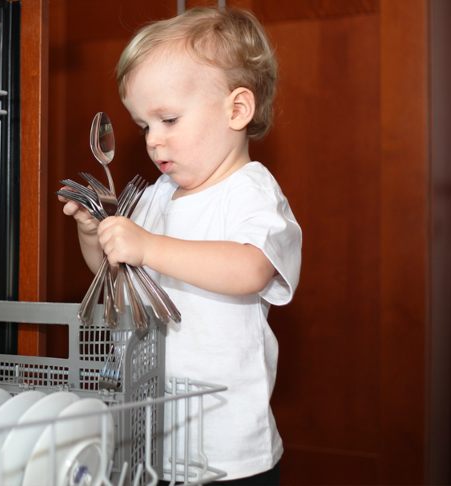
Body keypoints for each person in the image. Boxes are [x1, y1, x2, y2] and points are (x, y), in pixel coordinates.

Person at [58, 6, 302, 485]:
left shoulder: (251, 192)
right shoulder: (156, 195)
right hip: (148, 435)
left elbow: (252, 268)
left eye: (168, 119)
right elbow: (113, 277)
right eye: (145, 125)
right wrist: (96, 236)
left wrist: (148, 246)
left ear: (237, 110)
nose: (153, 141)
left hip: (225, 452)